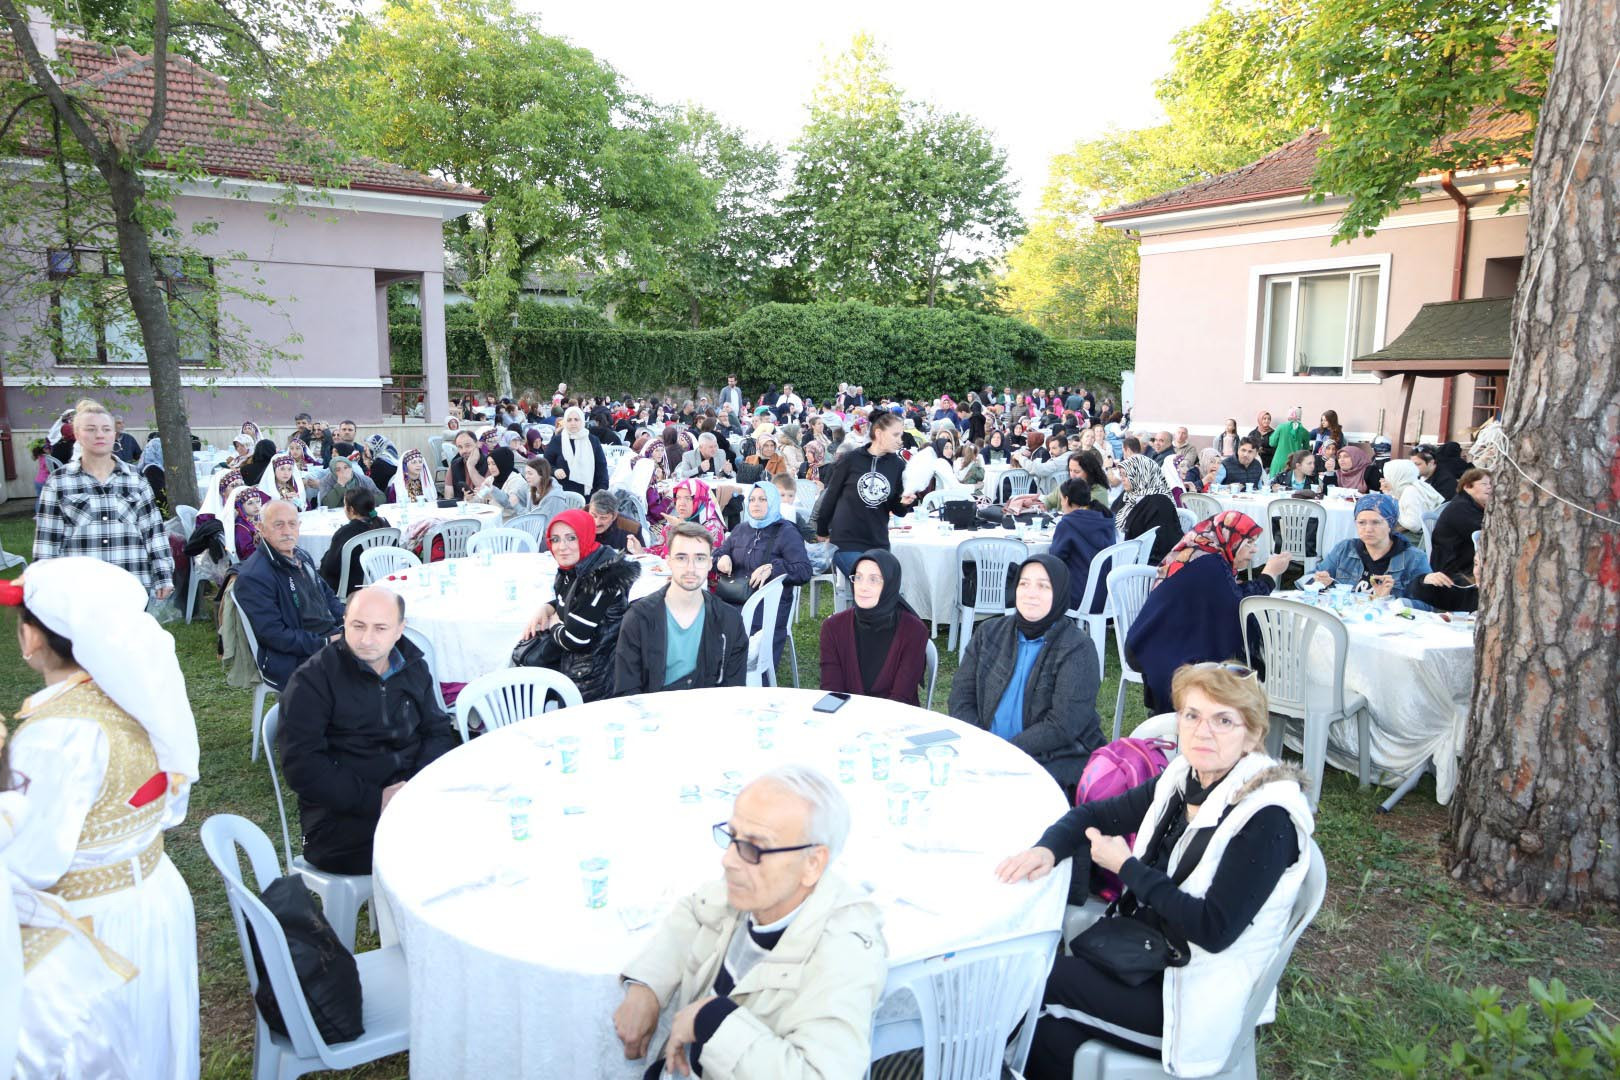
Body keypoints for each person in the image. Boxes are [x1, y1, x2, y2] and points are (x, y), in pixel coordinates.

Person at [997, 663, 1314, 1079]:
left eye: (1223, 720)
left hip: (1194, 999)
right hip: (1151, 955)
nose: (1204, 732)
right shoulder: (1187, 777)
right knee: (1048, 1033)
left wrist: (1126, 867)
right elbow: (1097, 813)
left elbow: (1213, 929)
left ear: (1253, 735)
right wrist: (1048, 848)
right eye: (1192, 715)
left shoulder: (1266, 817)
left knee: (1036, 984)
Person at [3, 556, 201, 1079]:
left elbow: (31, 862)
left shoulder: (54, 733)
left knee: (111, 1052)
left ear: (32, 639)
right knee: (157, 1042)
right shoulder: (136, 691)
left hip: (96, 925)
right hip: (156, 896)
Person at [612, 766, 885, 1080]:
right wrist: (646, 987)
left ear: (812, 864)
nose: (728, 860)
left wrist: (711, 1020)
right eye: (732, 836)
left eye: (754, 847)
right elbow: (694, 909)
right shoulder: (757, 891)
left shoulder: (844, 956)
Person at [278, 587, 458, 875]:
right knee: (444, 854)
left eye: (381, 628)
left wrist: (413, 788)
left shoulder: (413, 666)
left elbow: (436, 731)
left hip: (411, 799)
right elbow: (303, 767)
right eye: (357, 626)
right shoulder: (311, 681)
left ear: (400, 629)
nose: (367, 639)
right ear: (344, 622)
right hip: (340, 822)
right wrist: (378, 799)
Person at [949, 555, 1105, 794]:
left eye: (1043, 586)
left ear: (1060, 592)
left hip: (1052, 758)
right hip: (984, 751)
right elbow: (961, 697)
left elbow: (1062, 725)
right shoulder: (989, 632)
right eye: (1024, 583)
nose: (1031, 593)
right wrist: (981, 744)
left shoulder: (1077, 648)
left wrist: (1003, 753)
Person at [1125, 513, 1292, 712]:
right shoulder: (1210, 565)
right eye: (1248, 543)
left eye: (1255, 543)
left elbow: (1226, 596)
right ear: (1230, 539)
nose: (1254, 550)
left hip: (1151, 642)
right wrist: (1269, 575)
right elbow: (1238, 607)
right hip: (1163, 653)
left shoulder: (1199, 552)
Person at [33, 398, 174, 600]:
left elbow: (153, 531)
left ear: (114, 435)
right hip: (80, 589)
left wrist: (163, 574)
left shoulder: (135, 479)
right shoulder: (59, 482)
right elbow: (47, 541)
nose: (99, 434)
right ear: (78, 435)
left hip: (132, 584)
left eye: (106, 429)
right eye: (90, 429)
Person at [518, 509, 641, 701]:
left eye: (571, 538)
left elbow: (574, 639)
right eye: (555, 539)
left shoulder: (602, 577)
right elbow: (572, 600)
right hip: (579, 665)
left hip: (592, 679)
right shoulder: (581, 564)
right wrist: (548, 607)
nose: (562, 547)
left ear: (585, 536)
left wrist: (554, 623)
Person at [614, 521, 747, 694]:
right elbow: (627, 691)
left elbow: (734, 693)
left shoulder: (730, 622)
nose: (690, 568)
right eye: (681, 558)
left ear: (709, 563)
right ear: (668, 561)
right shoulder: (639, 619)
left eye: (699, 558)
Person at [234, 499, 347, 688]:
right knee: (365, 675)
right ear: (261, 528)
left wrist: (349, 620)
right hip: (293, 659)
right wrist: (327, 641)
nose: (287, 531)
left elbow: (326, 596)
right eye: (278, 525)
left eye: (292, 524)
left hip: (327, 638)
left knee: (389, 650)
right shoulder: (254, 576)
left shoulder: (301, 556)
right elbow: (274, 635)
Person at [714, 481, 811, 666]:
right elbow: (717, 554)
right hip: (733, 600)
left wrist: (774, 568)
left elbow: (804, 571)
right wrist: (722, 558)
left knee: (740, 657)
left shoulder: (786, 532)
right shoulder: (741, 529)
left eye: (763, 499)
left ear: (773, 501)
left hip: (767, 607)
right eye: (752, 499)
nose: (756, 504)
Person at [814, 411, 916, 581]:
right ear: (879, 433)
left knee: (884, 588)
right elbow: (831, 495)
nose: (901, 440)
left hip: (878, 543)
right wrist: (822, 529)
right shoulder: (851, 460)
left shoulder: (897, 465)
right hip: (847, 542)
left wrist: (904, 502)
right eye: (896, 435)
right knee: (872, 585)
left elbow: (897, 510)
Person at [817, 549, 928, 705]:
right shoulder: (833, 627)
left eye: (874, 580)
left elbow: (900, 698)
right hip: (846, 719)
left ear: (890, 584)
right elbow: (832, 693)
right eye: (859, 577)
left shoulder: (914, 631)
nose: (863, 587)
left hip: (896, 720)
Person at [1314, 494, 1448, 608]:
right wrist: (1319, 582)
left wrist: (1390, 600)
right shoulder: (1345, 549)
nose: (1368, 529)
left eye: (1376, 522)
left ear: (1390, 524)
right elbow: (1310, 579)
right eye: (1361, 523)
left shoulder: (1413, 558)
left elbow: (1430, 603)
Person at [1050, 479, 1120, 615]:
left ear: (1067, 499)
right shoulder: (1105, 517)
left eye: (1061, 500)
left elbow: (1054, 559)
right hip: (1107, 595)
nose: (1062, 505)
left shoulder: (1068, 524)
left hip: (1079, 597)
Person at [317, 487, 392, 596]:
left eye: (344, 505)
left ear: (351, 509)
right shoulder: (384, 524)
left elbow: (330, 568)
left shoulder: (346, 532)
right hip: (381, 581)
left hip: (352, 587)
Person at [1114, 454, 1181, 563]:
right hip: (1123, 552)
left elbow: (1159, 545)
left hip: (1144, 564)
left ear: (1142, 474)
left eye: (1126, 475)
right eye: (1121, 475)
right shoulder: (1128, 495)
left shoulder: (1160, 503)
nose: (1123, 479)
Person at [1430, 468, 1489, 578]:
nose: (1489, 487)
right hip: (1453, 571)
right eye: (1484, 484)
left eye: (1491, 483)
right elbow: (1486, 535)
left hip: (1463, 563)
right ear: (1467, 487)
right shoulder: (1461, 508)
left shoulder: (1472, 505)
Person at [545, 406, 609, 498]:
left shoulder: (593, 441)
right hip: (561, 494)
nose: (573, 423)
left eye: (576, 419)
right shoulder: (557, 440)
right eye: (569, 420)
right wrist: (554, 470)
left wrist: (601, 491)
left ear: (582, 421)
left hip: (588, 494)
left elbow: (601, 467)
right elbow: (545, 463)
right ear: (565, 422)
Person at [489, 455, 572, 523]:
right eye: (526, 473)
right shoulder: (531, 487)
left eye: (530, 473)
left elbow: (538, 525)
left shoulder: (553, 497)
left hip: (547, 537)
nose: (526, 476)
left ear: (542, 474)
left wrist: (517, 507)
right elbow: (509, 502)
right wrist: (493, 489)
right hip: (532, 530)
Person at [1379, 459, 1444, 544]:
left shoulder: (1410, 492)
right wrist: (1389, 493)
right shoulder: (1414, 484)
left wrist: (1394, 509)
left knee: (1377, 539)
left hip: (1418, 538)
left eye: (1388, 476)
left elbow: (1413, 525)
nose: (1386, 479)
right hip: (1426, 534)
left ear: (1396, 476)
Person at [445, 430, 492, 500]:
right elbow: (448, 497)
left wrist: (470, 466)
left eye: (468, 446)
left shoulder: (490, 462)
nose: (464, 451)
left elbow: (487, 491)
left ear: (477, 444)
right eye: (460, 447)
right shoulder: (454, 465)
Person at [1266, 408, 1309, 477]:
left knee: (1274, 484)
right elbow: (1306, 450)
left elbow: (1272, 443)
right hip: (1294, 463)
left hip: (1279, 461)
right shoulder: (1304, 431)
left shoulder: (1281, 427)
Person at [230, 486, 265, 561]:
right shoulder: (241, 528)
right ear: (240, 506)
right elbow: (249, 555)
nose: (256, 506)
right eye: (250, 503)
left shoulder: (254, 521)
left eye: (258, 501)